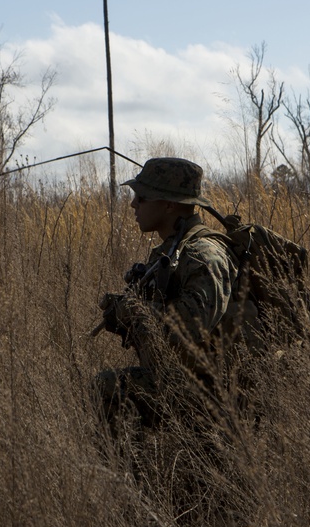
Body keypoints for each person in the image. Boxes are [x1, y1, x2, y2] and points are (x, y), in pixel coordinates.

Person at [94, 157, 240, 438]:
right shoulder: (171, 251)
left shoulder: (203, 254)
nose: (134, 204)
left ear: (169, 205)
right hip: (184, 380)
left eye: (142, 197)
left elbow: (190, 326)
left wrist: (132, 311)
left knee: (108, 387)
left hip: (215, 393)